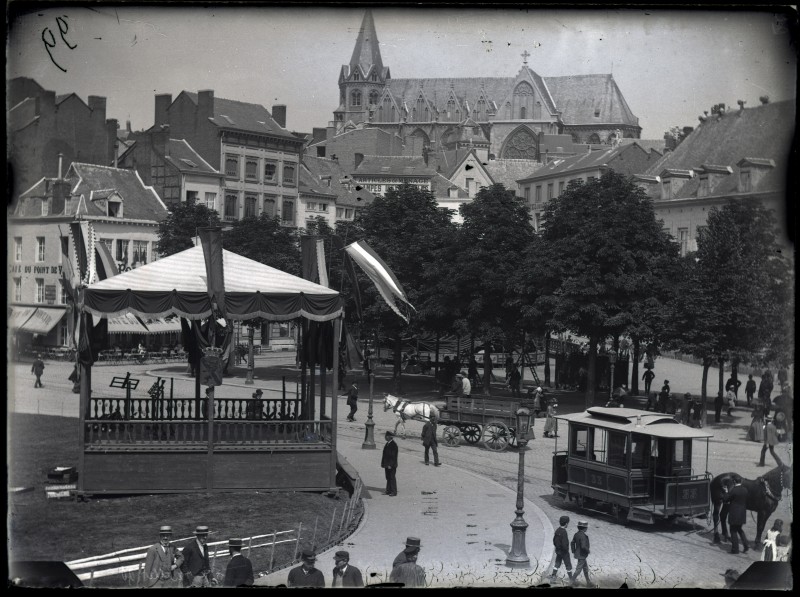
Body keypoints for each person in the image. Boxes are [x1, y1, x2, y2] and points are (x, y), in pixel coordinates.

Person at [723, 474, 750, 554]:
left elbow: (726, 499)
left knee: (733, 531)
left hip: (734, 513)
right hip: (742, 513)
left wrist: (726, 491)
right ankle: (746, 545)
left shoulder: (733, 490)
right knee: (739, 529)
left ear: (734, 482)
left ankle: (735, 549)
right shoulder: (745, 490)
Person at [550, 515, 573, 582]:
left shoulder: (557, 530)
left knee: (557, 563)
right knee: (568, 564)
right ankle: (571, 578)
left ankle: (553, 575)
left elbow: (554, 540)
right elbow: (564, 543)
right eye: (568, 523)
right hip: (564, 552)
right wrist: (566, 550)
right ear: (566, 524)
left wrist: (557, 547)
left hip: (558, 551)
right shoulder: (564, 532)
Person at [570, 520, 591, 587]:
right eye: (586, 527)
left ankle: (588, 582)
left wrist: (574, 551)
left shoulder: (576, 534)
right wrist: (588, 550)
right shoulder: (583, 536)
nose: (587, 528)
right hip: (582, 555)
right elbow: (583, 546)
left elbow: (572, 543)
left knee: (585, 568)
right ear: (584, 528)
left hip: (579, 554)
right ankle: (571, 582)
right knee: (578, 569)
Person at [381, 430, 398, 496]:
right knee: (388, 477)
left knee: (392, 477)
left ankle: (394, 491)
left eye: (386, 436)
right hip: (387, 464)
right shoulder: (388, 443)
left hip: (391, 465)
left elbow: (393, 456)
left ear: (389, 437)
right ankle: (388, 490)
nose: (385, 437)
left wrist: (390, 465)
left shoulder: (393, 445)